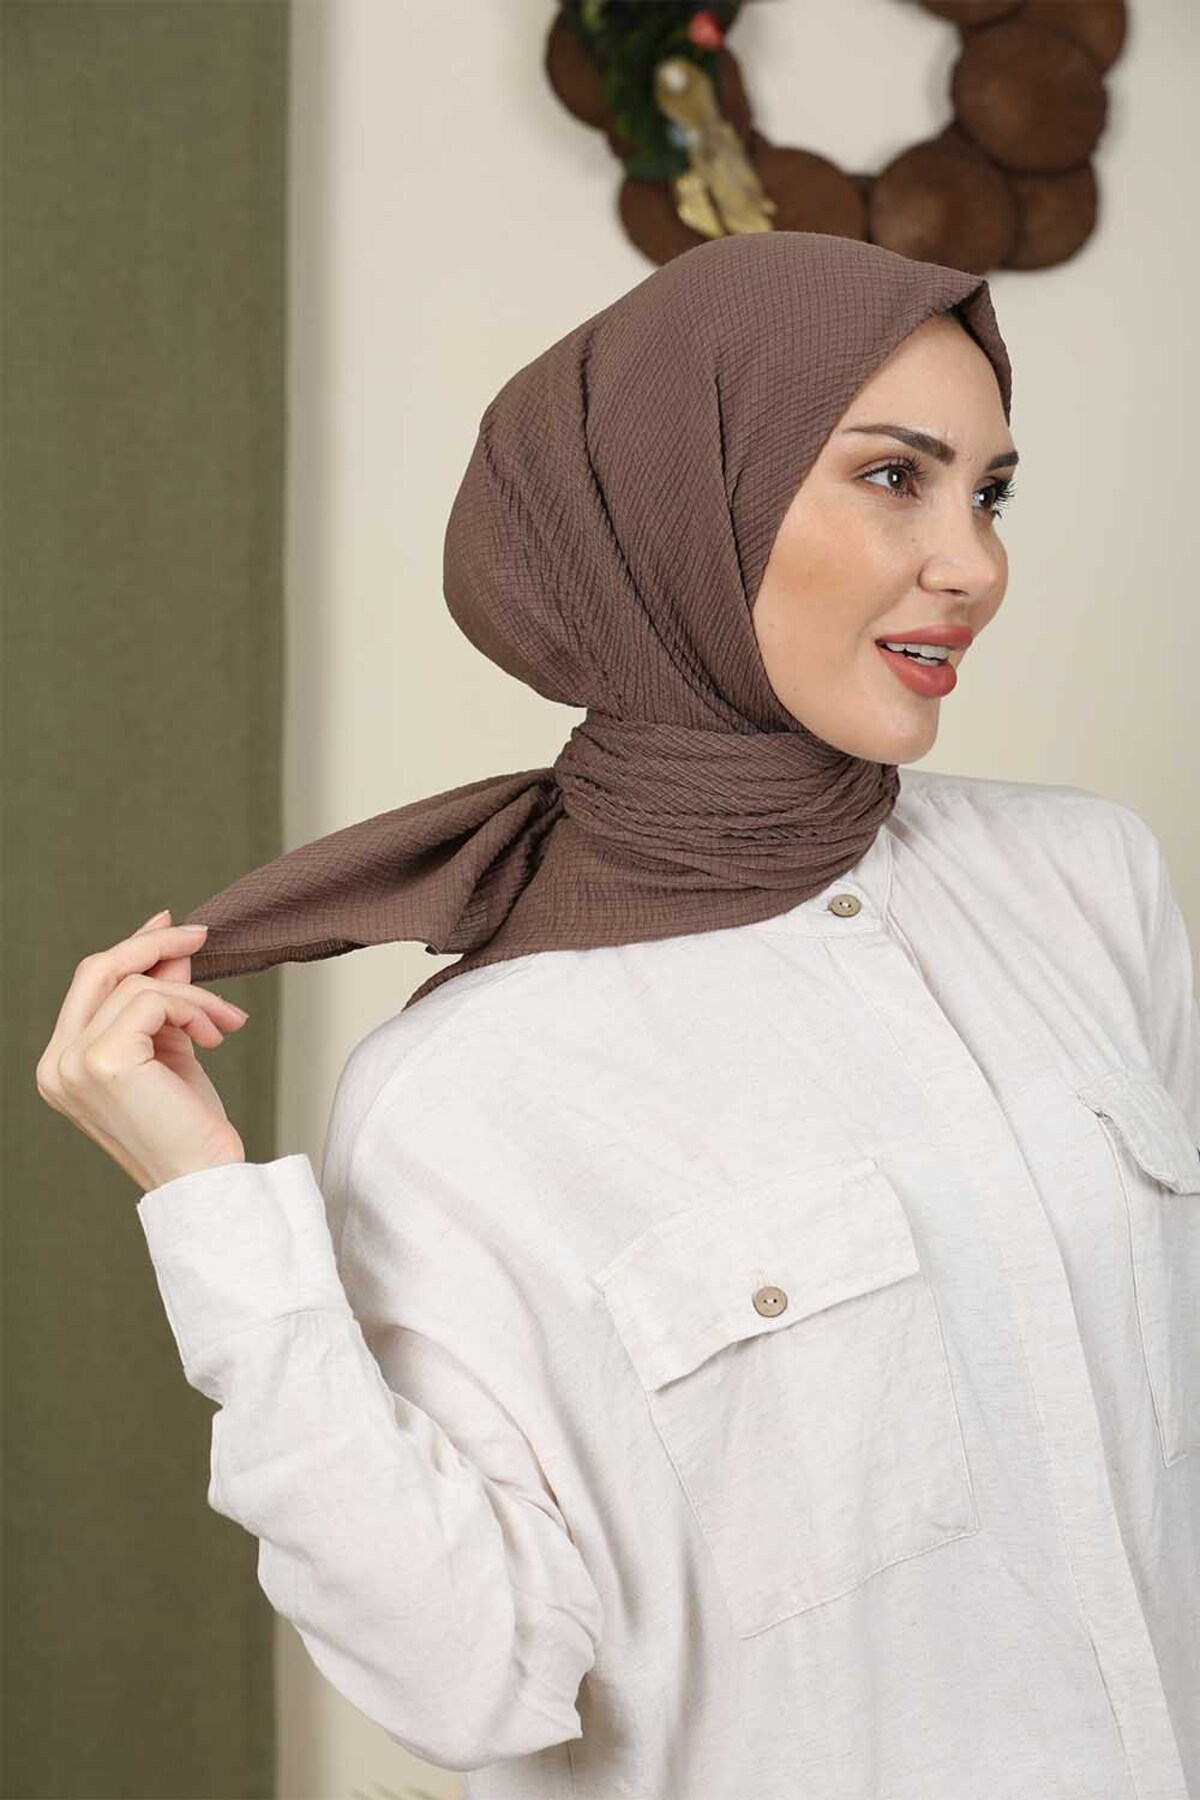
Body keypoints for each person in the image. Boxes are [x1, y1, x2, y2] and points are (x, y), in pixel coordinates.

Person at [36, 233, 1199, 1798]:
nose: (974, 566)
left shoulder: (1088, 883)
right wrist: (208, 1213)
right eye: (893, 478)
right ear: (675, 511)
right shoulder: (468, 1089)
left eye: (989, 493)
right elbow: (474, 1681)